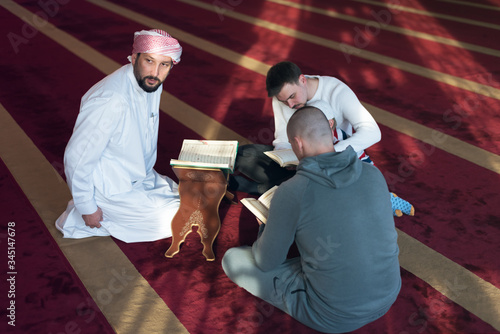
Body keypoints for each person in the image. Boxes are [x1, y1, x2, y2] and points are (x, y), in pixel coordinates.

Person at [222, 106, 401, 333]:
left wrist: (264, 228)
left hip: (335, 315)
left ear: (298, 144)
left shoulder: (294, 190)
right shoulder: (374, 173)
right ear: (330, 130)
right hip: (389, 294)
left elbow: (267, 262)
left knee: (233, 260)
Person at [231, 61, 414, 216]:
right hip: (301, 162)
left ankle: (375, 198)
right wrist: (284, 158)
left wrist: (328, 153)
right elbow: (281, 138)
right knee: (247, 155)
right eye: (284, 101)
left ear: (302, 80)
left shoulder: (336, 91)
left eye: (292, 97)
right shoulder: (283, 99)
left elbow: (373, 132)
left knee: (295, 193)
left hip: (335, 165)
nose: (290, 105)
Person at [55, 29, 183, 243]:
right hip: (110, 189)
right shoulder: (111, 100)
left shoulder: (150, 84)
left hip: (139, 177)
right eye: (149, 61)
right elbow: (76, 158)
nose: (155, 72)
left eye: (164, 64)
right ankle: (82, 215)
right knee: (178, 220)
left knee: (192, 200)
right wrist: (88, 207)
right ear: (134, 59)